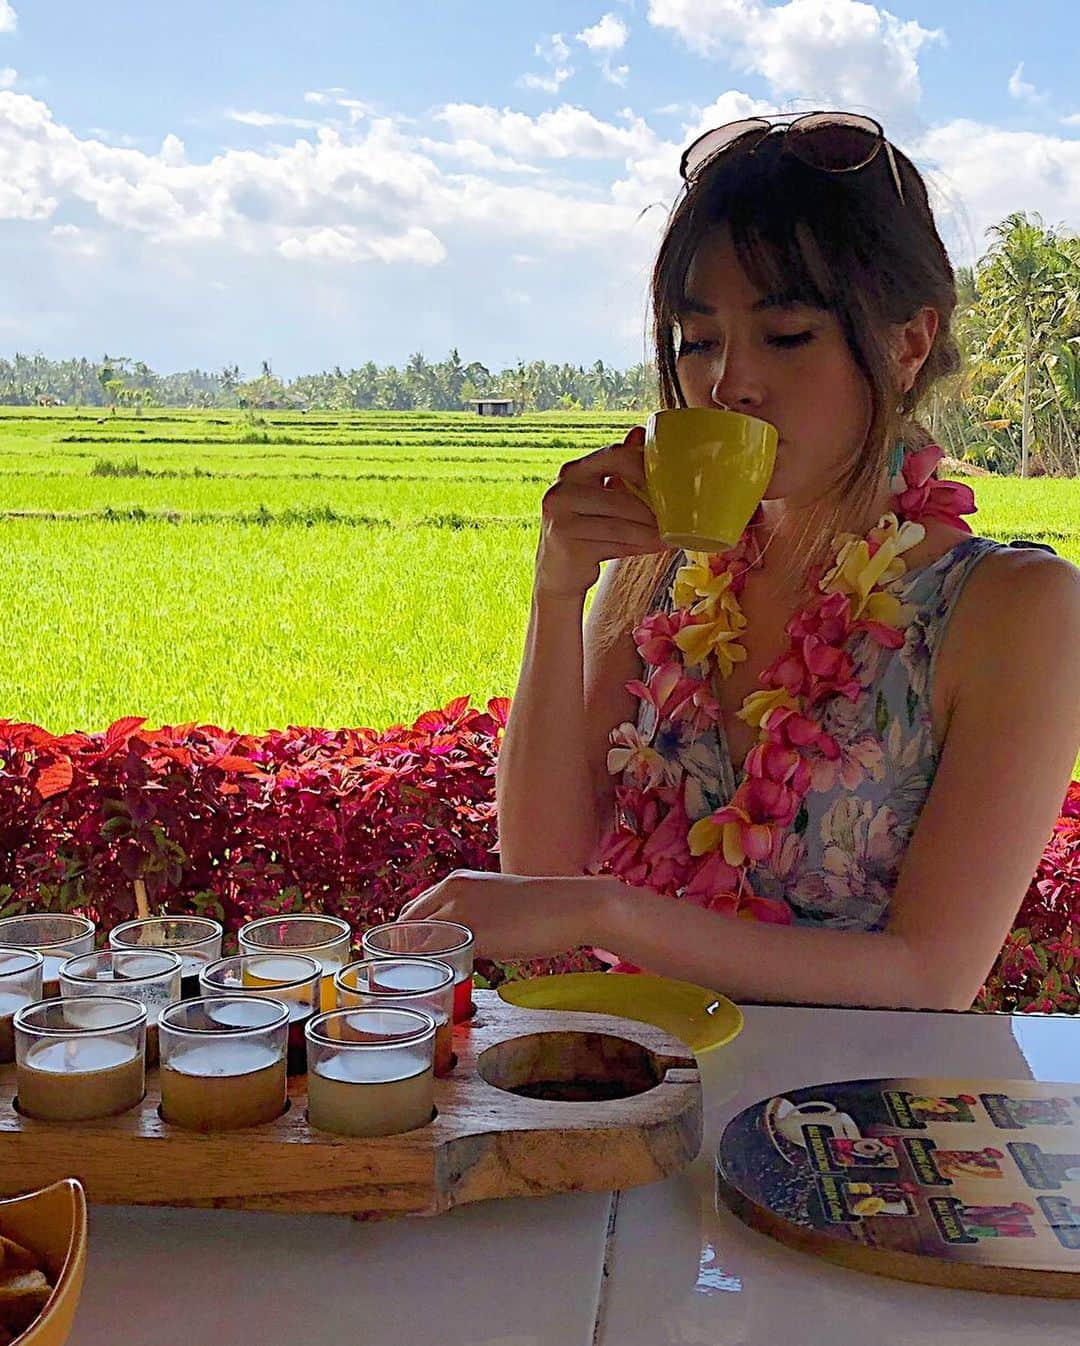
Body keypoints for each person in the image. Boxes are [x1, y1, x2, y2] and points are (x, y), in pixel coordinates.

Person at [399, 113, 1080, 1011]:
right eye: (698, 341)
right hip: (645, 1091)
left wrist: (611, 912)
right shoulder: (662, 573)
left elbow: (930, 974)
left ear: (908, 345)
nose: (729, 385)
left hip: (852, 1126)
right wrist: (557, 591)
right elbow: (540, 867)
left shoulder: (1014, 610)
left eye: (786, 335)